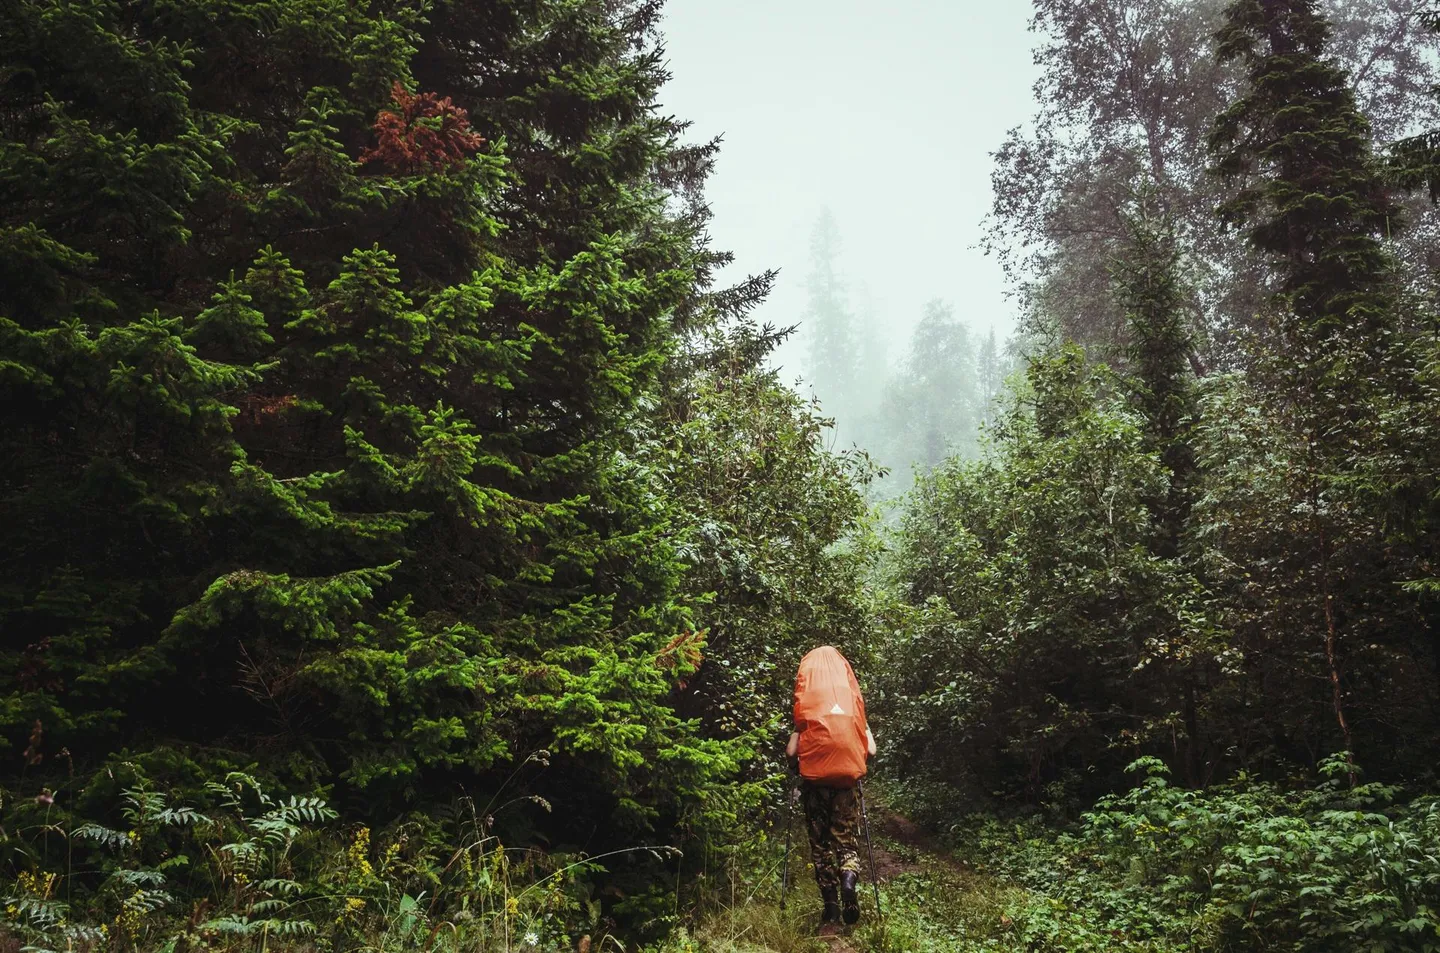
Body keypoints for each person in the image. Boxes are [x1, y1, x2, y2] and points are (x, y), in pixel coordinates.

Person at [786, 645, 876, 928]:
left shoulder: (809, 716)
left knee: (821, 844)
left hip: (815, 788)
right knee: (845, 841)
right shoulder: (853, 716)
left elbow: (791, 753)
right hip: (846, 787)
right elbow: (871, 751)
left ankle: (831, 907)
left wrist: (800, 734)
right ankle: (848, 878)